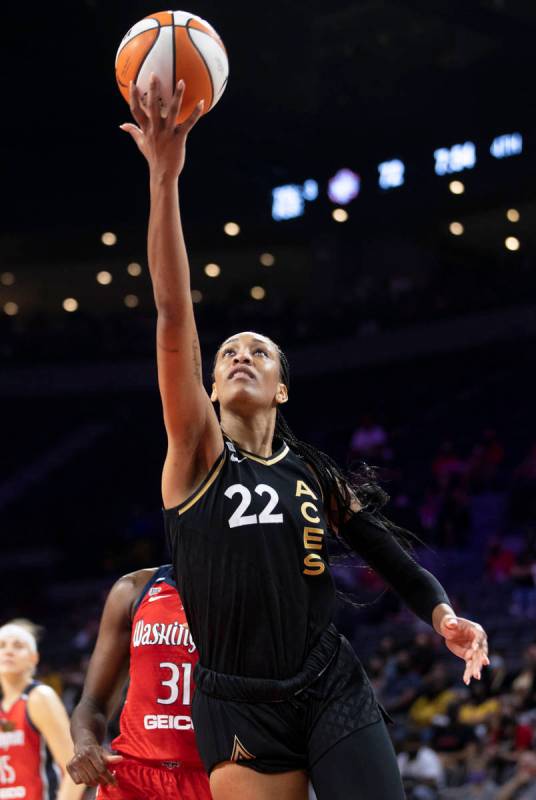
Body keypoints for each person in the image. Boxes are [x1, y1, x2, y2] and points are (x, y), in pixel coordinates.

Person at [119, 73, 490, 800]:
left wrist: (443, 613)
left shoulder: (312, 472)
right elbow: (171, 315)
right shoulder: (195, 453)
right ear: (211, 385)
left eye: (258, 351)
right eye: (228, 352)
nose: (239, 357)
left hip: (327, 680)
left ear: (281, 387)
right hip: (237, 702)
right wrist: (165, 180)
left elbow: (387, 551)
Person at [67, 565, 211, 799]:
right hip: (133, 778)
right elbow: (92, 703)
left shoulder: (244, 590)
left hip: (210, 774)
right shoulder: (134, 588)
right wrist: (85, 743)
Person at [0, 620, 84, 800]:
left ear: (34, 658)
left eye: (18, 645)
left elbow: (76, 769)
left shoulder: (39, 697)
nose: (8, 651)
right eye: (2, 645)